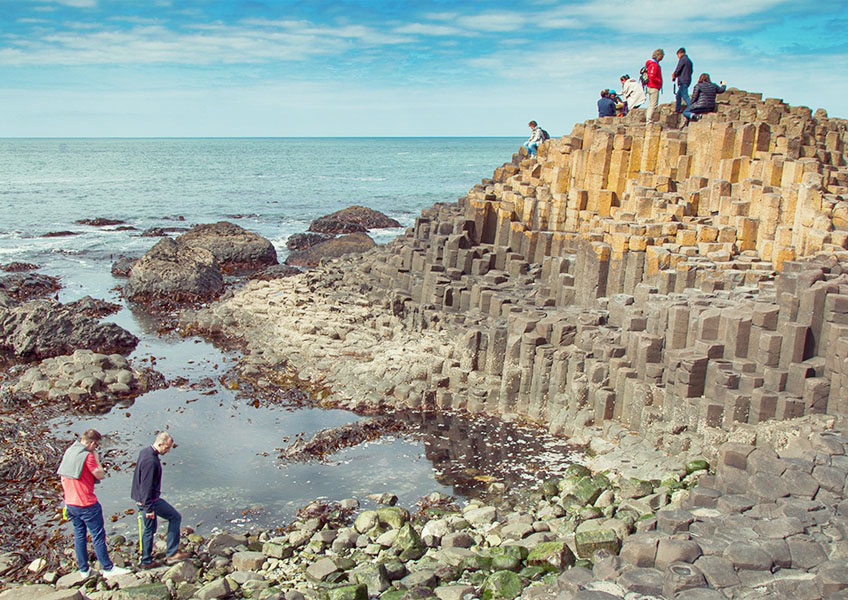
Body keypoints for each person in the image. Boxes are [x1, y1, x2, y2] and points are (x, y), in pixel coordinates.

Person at [57, 429, 130, 579]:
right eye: (96, 445)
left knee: (79, 536)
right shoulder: (87, 456)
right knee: (97, 535)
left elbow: (62, 478)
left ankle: (84, 570)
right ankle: (108, 568)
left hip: (71, 503)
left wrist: (67, 500)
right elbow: (100, 474)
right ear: (91, 443)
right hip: (86, 503)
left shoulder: (69, 452)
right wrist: (96, 458)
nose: (96, 448)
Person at [131, 432, 190, 568]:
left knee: (150, 528)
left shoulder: (145, 452)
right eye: (167, 447)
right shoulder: (150, 461)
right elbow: (146, 485)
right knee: (173, 517)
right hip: (149, 501)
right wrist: (148, 508)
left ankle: (148, 558)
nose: (168, 450)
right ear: (160, 443)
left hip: (144, 499)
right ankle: (167, 555)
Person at [671, 47, 693, 114]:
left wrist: (674, 75)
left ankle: (692, 107)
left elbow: (678, 68)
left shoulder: (682, 59)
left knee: (684, 95)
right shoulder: (689, 61)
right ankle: (677, 110)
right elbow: (691, 71)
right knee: (678, 95)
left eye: (677, 55)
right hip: (687, 80)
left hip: (683, 80)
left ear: (680, 53)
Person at [644, 49, 664, 123]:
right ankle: (649, 120)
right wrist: (659, 81)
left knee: (651, 104)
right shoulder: (654, 65)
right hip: (653, 86)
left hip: (650, 86)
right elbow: (652, 76)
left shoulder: (651, 64)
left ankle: (648, 119)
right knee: (653, 105)